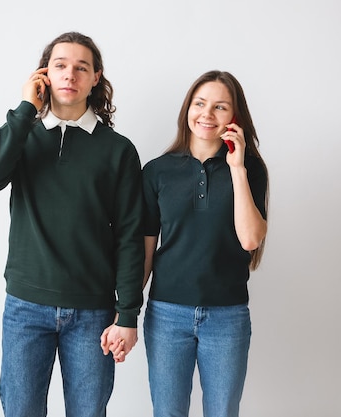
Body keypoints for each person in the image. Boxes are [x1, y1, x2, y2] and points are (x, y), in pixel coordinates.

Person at [0, 32, 144, 417]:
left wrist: (127, 313)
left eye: (82, 67)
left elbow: (131, 236)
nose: (70, 75)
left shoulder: (118, 150)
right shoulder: (23, 134)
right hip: (26, 307)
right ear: (44, 74)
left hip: (93, 313)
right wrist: (24, 110)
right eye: (60, 65)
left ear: (96, 77)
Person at [142, 70, 269, 417]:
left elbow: (251, 238)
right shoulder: (156, 171)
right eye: (199, 104)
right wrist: (126, 310)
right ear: (187, 109)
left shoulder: (251, 170)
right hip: (166, 313)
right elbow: (146, 248)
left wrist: (237, 168)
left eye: (220, 107)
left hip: (227, 317)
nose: (207, 115)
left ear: (235, 117)